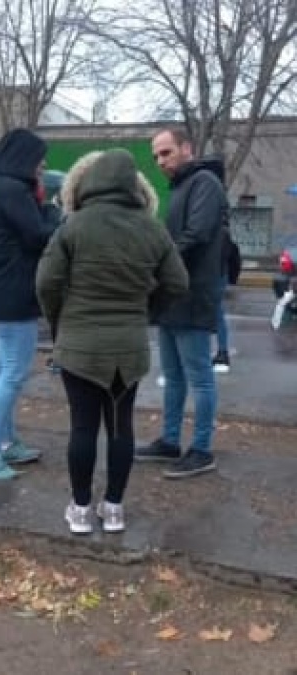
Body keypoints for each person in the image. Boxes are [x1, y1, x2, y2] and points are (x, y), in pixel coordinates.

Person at [36, 149, 188, 535]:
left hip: (79, 347)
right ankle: (115, 508)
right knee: (121, 427)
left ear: (87, 183)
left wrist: (60, 322)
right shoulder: (152, 229)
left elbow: (46, 283)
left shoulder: (73, 226)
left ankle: (81, 509)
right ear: (135, 186)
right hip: (129, 348)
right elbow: (178, 283)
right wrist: (147, 312)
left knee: (82, 427)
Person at [136, 129, 227, 478]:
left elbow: (195, 236)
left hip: (193, 295)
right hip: (173, 297)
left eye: (166, 152)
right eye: (157, 156)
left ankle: (202, 450)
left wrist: (155, 266)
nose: (161, 161)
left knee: (200, 378)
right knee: (172, 376)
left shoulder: (204, 182)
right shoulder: (180, 187)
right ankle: (170, 441)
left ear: (187, 148)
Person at [0, 128, 59, 481]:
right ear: (25, 157)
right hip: (13, 293)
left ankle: (7, 442)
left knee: (3, 371)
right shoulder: (12, 190)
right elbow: (38, 235)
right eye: (40, 157)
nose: (44, 165)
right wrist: (54, 211)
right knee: (12, 373)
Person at [213, 224, 241, 373]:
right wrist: (232, 278)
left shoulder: (210, 229)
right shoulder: (224, 232)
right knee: (218, 314)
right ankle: (222, 351)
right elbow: (234, 256)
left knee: (214, 313)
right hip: (220, 274)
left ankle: (221, 352)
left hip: (211, 275)